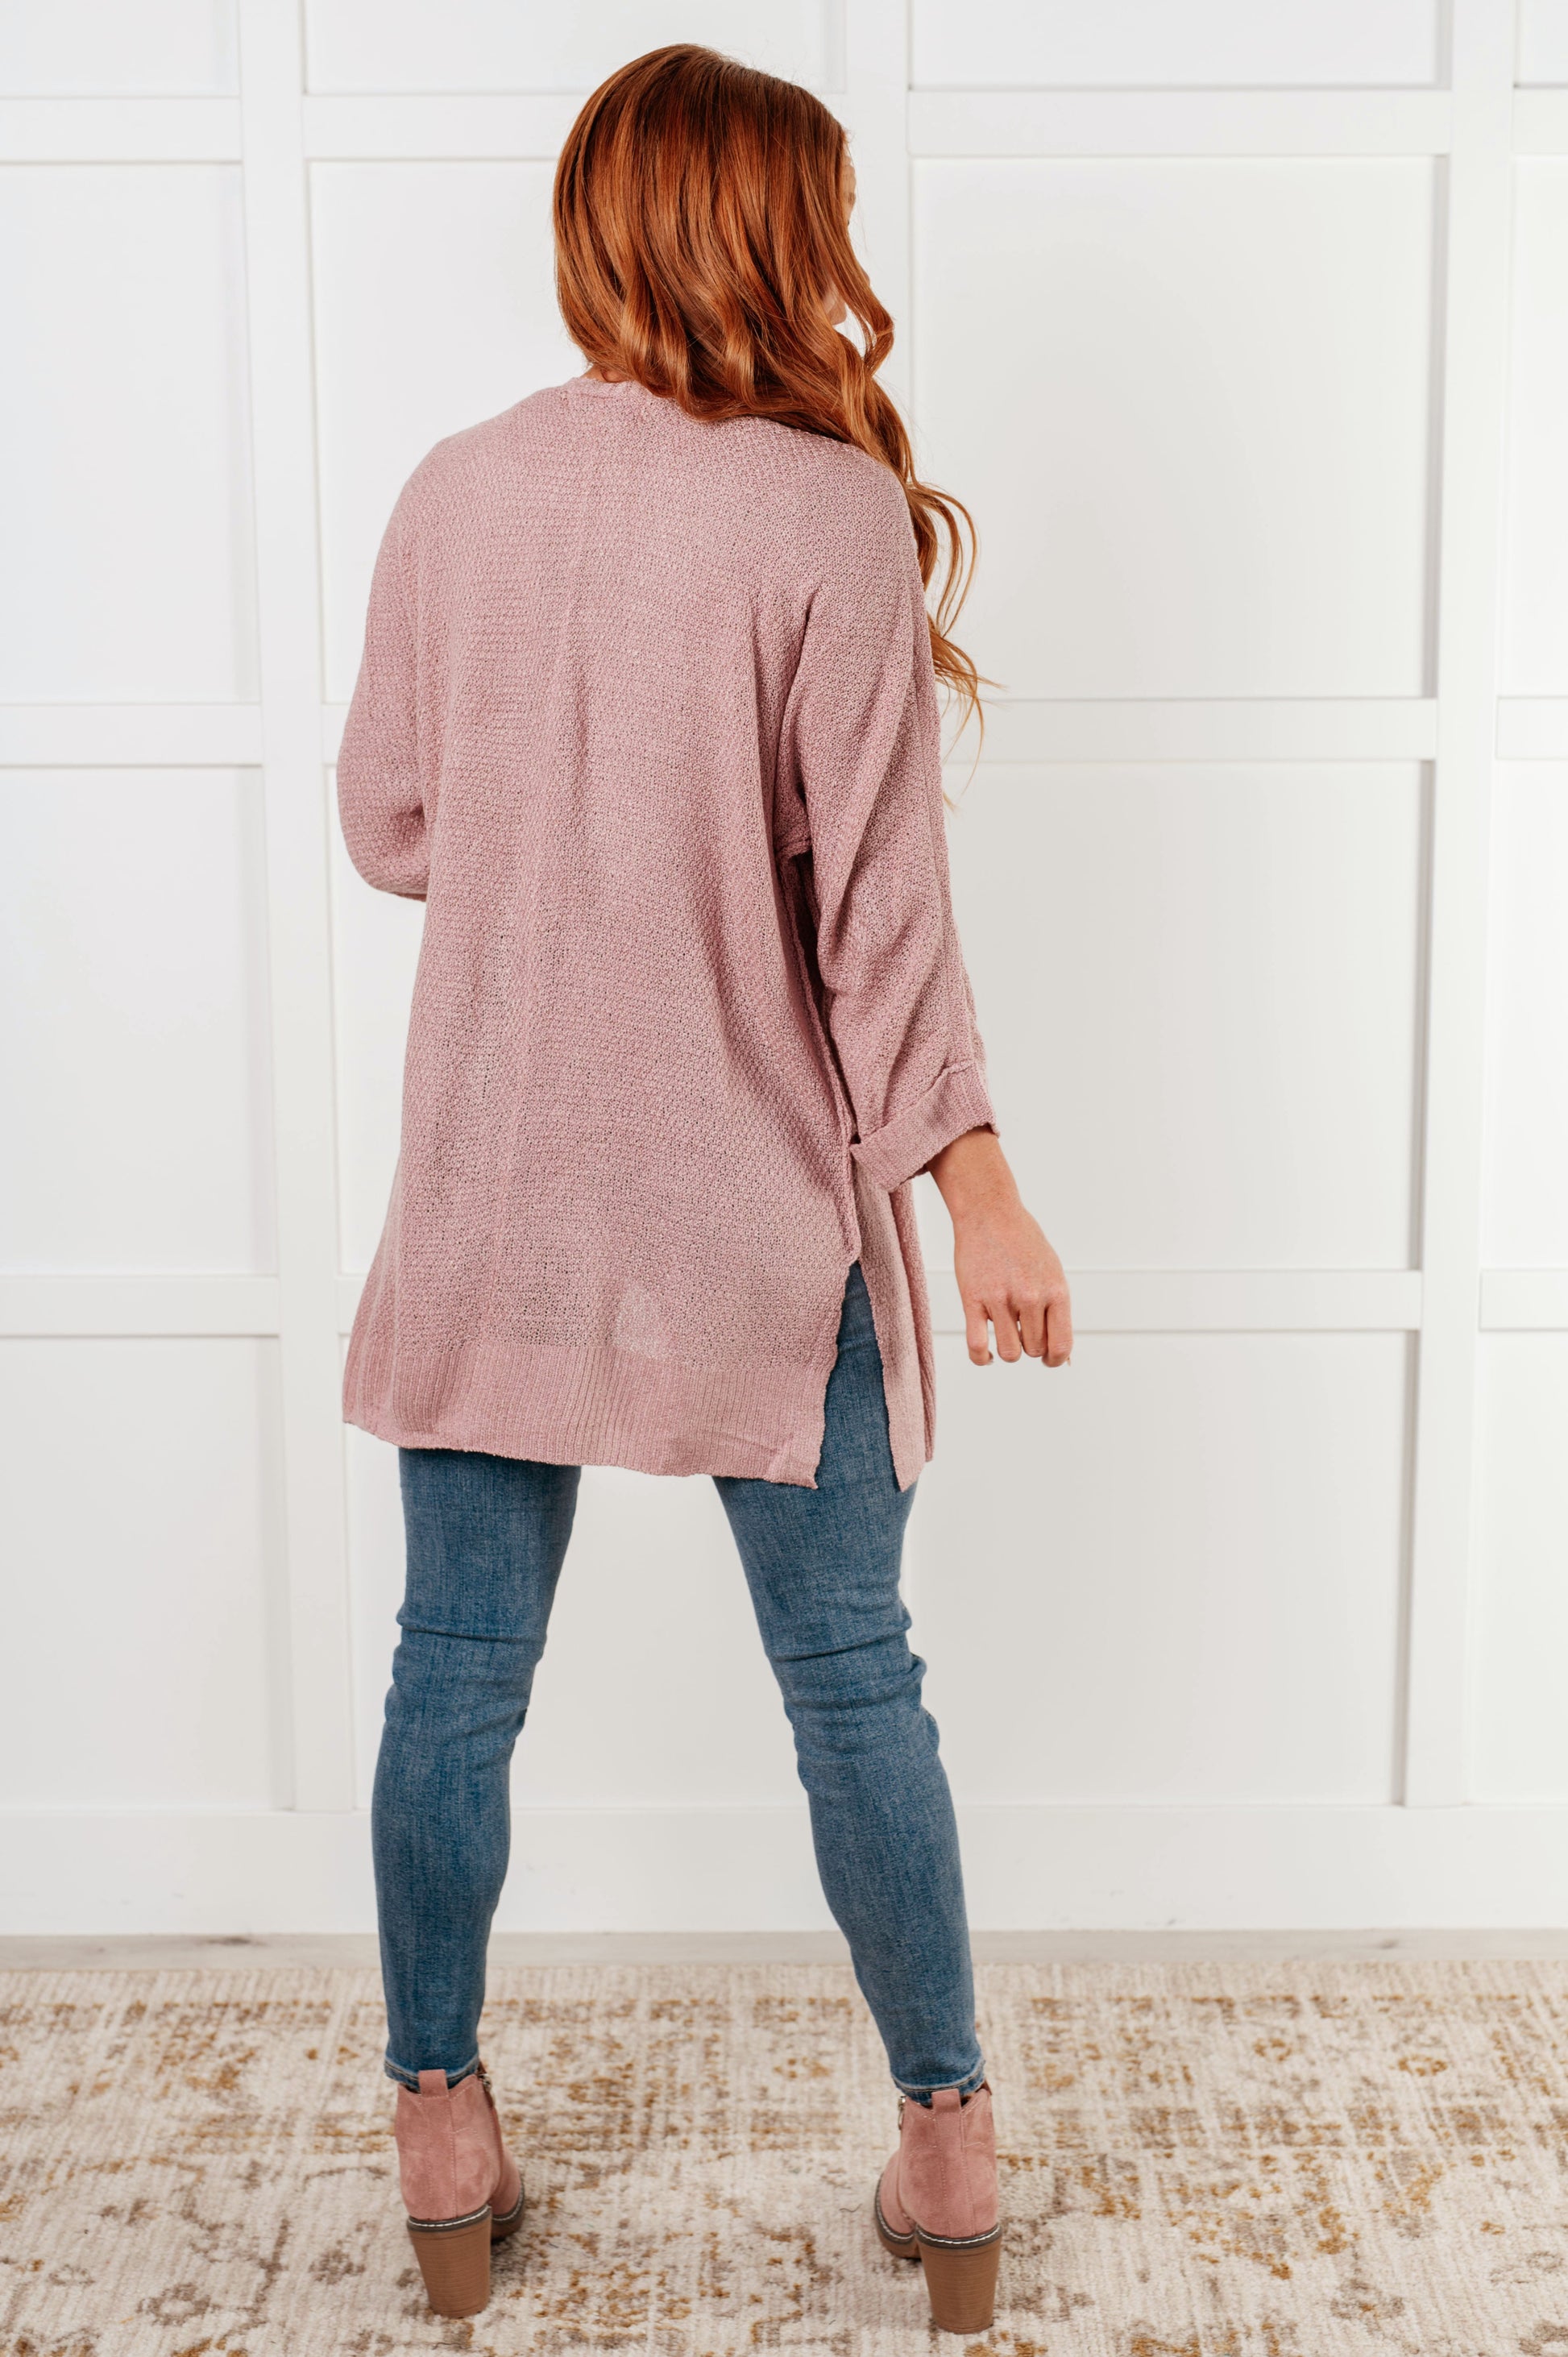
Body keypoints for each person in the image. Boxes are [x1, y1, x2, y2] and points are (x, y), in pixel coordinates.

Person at [337, 42, 1072, 2335]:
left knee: (455, 1667)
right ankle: (946, 2143)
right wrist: (980, 1189)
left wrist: (567, 827)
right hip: (752, 1199)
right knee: (852, 1676)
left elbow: (389, 824)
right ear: (769, 228)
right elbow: (881, 922)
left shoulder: (456, 489)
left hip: (496, 1183)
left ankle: (437, 2117)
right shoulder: (819, 510)